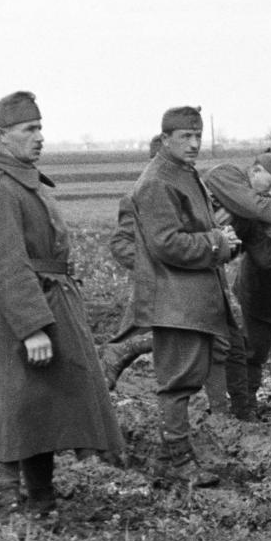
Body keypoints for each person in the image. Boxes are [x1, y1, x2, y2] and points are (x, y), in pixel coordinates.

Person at [0, 90, 124, 519]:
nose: (40, 137)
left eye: (40, 128)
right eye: (29, 129)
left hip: (47, 303)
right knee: (13, 410)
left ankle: (41, 501)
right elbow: (3, 264)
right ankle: (5, 508)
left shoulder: (20, 181)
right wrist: (32, 327)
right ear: (1, 136)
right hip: (18, 316)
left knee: (39, 410)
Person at [127, 105, 240, 485]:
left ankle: (172, 457)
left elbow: (199, 229)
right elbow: (166, 244)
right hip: (175, 300)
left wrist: (226, 243)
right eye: (185, 137)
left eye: (198, 136)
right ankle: (177, 463)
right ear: (165, 139)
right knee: (177, 383)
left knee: (186, 379)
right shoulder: (158, 180)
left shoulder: (182, 173)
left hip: (191, 299)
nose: (194, 144)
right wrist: (216, 241)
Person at [202, 152, 271, 420]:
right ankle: (245, 410)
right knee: (252, 350)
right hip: (259, 284)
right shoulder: (233, 184)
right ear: (256, 171)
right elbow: (262, 255)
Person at [100, 134, 162, 389]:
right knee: (123, 349)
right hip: (155, 285)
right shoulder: (137, 197)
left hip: (191, 285)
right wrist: (154, 265)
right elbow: (120, 243)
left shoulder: (193, 192)